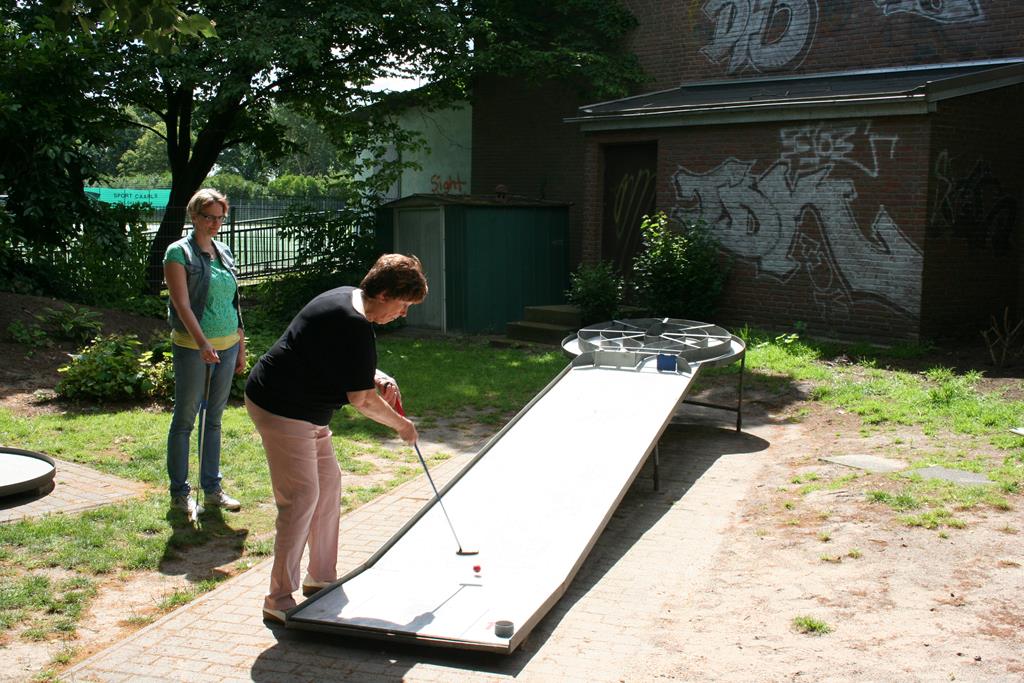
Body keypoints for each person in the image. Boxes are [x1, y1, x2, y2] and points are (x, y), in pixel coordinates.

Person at [244, 253, 426, 624]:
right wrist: (402, 426)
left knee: (328, 486)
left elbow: (338, 359)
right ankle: (278, 599)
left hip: (310, 411)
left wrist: (375, 375)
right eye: (403, 304)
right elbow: (362, 400)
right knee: (301, 498)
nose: (403, 313)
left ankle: (321, 578)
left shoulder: (348, 301)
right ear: (384, 294)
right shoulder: (349, 319)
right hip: (280, 406)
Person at [163, 188, 246, 517]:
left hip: (228, 346)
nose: (215, 223)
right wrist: (202, 343)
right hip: (193, 349)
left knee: (214, 420)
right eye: (208, 217)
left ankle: (212, 489)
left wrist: (240, 346)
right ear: (194, 216)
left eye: (220, 217)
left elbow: (233, 303)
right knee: (185, 420)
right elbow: (182, 305)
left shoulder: (223, 251)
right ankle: (180, 493)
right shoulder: (178, 253)